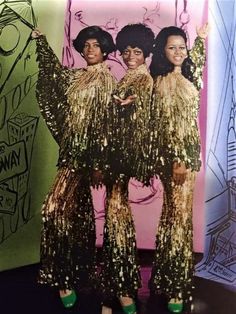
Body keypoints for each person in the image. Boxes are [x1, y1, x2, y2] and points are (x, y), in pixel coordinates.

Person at [31, 25, 116, 309]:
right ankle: (76, 272)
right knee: (74, 216)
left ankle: (63, 277)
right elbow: (55, 77)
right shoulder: (78, 76)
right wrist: (42, 42)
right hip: (70, 154)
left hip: (86, 159)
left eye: (96, 45)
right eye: (86, 45)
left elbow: (106, 123)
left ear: (104, 49)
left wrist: (99, 163)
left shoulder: (107, 81)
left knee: (52, 209)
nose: (90, 50)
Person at [149, 24, 209, 313]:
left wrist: (200, 38)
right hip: (175, 160)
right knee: (175, 219)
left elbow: (197, 58)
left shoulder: (190, 76)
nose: (178, 52)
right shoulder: (160, 81)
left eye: (181, 47)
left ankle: (175, 281)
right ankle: (171, 284)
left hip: (189, 159)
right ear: (163, 50)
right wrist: (177, 160)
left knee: (180, 220)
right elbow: (168, 126)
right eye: (172, 47)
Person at [100, 23, 155, 314]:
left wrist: (134, 103)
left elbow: (148, 105)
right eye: (126, 51)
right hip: (113, 156)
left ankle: (121, 291)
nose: (130, 55)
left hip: (123, 157)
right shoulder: (128, 76)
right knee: (114, 220)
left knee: (117, 220)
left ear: (146, 53)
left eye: (137, 51)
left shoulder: (143, 79)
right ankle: (116, 289)